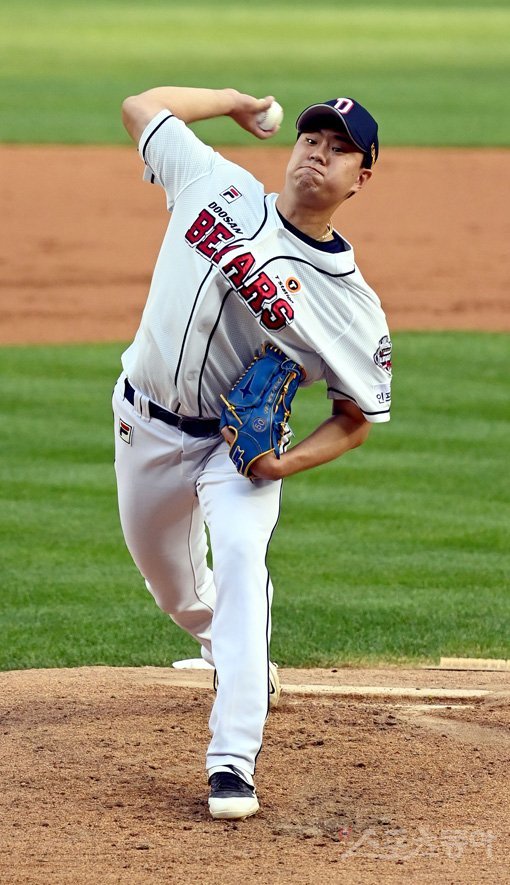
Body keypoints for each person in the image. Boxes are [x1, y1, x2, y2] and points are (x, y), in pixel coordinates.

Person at [113, 86, 392, 820]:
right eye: (312, 140)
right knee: (178, 592)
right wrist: (235, 101)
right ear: (293, 148)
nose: (318, 155)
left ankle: (231, 759)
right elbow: (142, 107)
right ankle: (237, 640)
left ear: (361, 179)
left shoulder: (350, 302)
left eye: (340, 150)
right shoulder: (217, 184)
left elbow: (355, 415)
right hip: (141, 425)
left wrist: (281, 464)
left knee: (240, 558)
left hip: (234, 457)